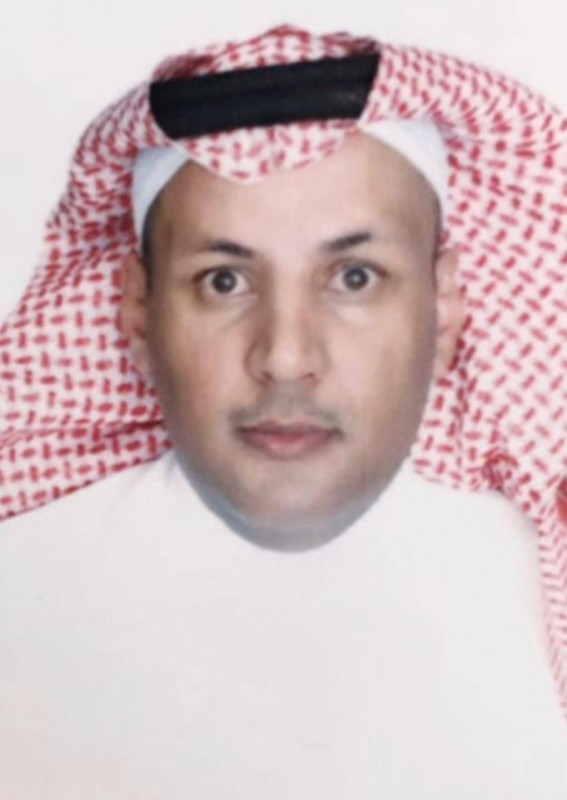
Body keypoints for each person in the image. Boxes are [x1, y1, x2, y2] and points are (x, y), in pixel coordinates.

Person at [0, 24, 566, 798]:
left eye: (354, 277)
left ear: (443, 308)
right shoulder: (25, 577)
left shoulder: (527, 590)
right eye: (223, 281)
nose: (287, 355)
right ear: (137, 312)